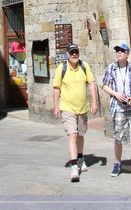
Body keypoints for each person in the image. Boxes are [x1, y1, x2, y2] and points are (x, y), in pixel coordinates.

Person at [102, 43, 131, 186]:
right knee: (118, 138)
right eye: (117, 51)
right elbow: (104, 85)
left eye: (122, 51)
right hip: (118, 107)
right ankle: (117, 162)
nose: (119, 52)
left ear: (127, 53)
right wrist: (115, 94)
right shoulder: (111, 68)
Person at [53, 42, 98, 182]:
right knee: (72, 135)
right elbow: (56, 88)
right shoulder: (62, 68)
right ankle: (74, 167)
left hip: (82, 108)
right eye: (71, 52)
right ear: (67, 54)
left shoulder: (84, 66)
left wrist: (94, 102)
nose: (74, 54)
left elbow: (91, 83)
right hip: (67, 108)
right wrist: (56, 106)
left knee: (80, 135)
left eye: (76, 52)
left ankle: (80, 158)